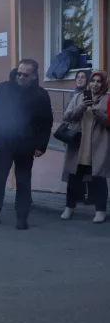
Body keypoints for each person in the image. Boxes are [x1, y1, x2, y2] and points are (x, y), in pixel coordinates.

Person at [0, 60, 53, 229]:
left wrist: (41, 145)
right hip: (3, 142)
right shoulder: (4, 88)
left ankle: (22, 218)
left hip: (26, 145)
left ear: (34, 76)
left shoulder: (41, 95)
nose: (20, 77)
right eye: (19, 73)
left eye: (25, 75)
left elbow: (46, 122)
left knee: (23, 181)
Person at [60, 71, 110, 223]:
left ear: (104, 84)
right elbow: (66, 117)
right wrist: (81, 107)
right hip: (78, 144)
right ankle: (69, 208)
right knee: (74, 178)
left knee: (98, 178)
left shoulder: (107, 99)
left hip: (97, 144)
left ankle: (100, 211)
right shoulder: (78, 97)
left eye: (99, 81)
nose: (95, 84)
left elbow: (108, 122)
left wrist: (98, 112)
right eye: (93, 81)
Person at [62, 70, 92, 205]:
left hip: (89, 135)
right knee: (74, 168)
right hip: (75, 134)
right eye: (77, 77)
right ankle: (75, 197)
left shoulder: (94, 95)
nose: (80, 79)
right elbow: (67, 114)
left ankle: (90, 196)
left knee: (89, 167)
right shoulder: (73, 94)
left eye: (83, 77)